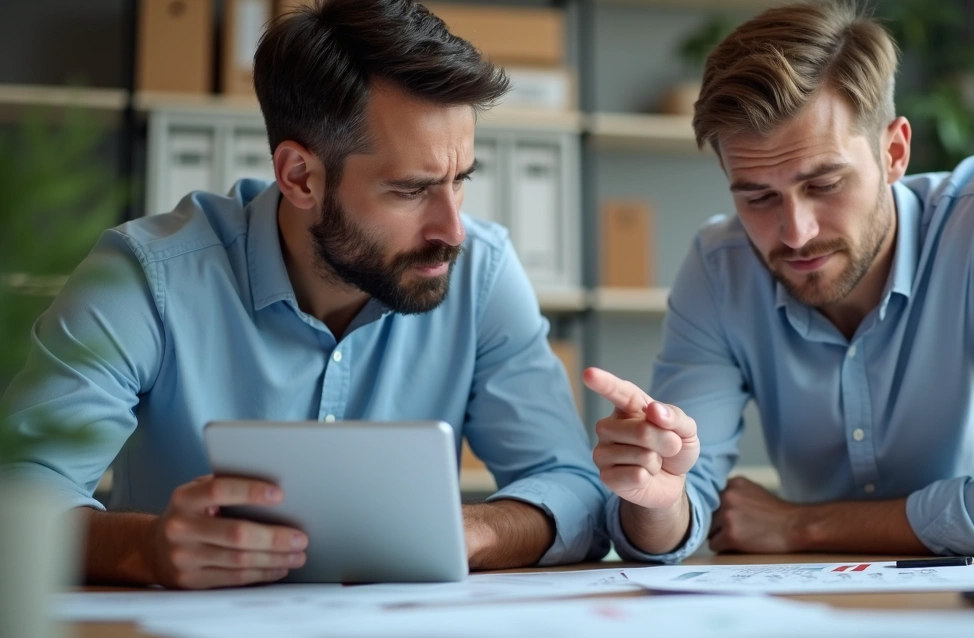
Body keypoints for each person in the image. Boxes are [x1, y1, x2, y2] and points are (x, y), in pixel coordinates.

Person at [0, 0, 608, 589]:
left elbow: (572, 487)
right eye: (409, 190)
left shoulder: (483, 272)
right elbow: (19, 494)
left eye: (460, 181)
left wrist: (473, 530)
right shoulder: (145, 276)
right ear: (299, 177)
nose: (451, 231)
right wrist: (147, 549)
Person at [584, 0, 974, 561]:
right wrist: (659, 499)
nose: (794, 232)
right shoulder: (719, 268)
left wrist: (801, 524)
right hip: (875, 553)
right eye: (758, 196)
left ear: (894, 152)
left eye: (824, 184)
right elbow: (678, 514)